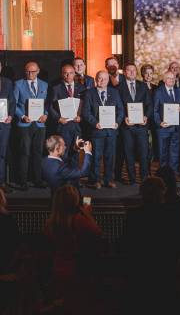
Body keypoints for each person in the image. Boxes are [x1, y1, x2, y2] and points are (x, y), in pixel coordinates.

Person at [123, 176, 180, 313]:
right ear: (162, 192)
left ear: (142, 193)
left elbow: (126, 245)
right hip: (165, 271)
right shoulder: (170, 215)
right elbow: (178, 242)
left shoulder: (133, 215)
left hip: (140, 274)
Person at [45, 185, 103, 314]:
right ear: (75, 200)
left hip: (58, 267)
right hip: (76, 269)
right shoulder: (79, 220)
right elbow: (97, 233)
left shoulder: (50, 223)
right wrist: (87, 214)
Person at [82, 70, 124, 189]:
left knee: (110, 157)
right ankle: (94, 180)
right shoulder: (89, 93)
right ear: (96, 79)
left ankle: (108, 180)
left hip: (111, 131)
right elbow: (86, 112)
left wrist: (117, 122)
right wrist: (95, 123)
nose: (102, 81)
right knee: (96, 157)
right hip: (97, 131)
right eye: (99, 78)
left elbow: (121, 110)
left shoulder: (114, 92)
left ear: (108, 80)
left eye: (105, 79)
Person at [13, 61, 49, 190]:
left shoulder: (44, 84)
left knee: (38, 152)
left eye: (33, 71)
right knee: (25, 152)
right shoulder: (18, 84)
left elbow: (47, 104)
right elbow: (14, 104)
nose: (30, 74)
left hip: (40, 124)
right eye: (27, 71)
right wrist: (22, 116)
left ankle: (37, 180)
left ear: (38, 71)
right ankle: (23, 182)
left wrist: (46, 114)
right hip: (24, 124)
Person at [118, 62, 153, 183]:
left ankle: (144, 178)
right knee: (129, 153)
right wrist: (124, 118)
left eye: (134, 70)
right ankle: (132, 178)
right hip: (127, 126)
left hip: (141, 126)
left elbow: (149, 104)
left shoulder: (143, 86)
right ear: (124, 72)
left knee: (144, 153)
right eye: (129, 70)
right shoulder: (119, 87)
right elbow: (118, 106)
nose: (132, 72)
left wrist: (146, 116)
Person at [48, 64, 84, 165]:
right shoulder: (55, 88)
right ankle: (63, 174)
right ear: (62, 74)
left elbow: (86, 106)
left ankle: (74, 175)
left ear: (74, 74)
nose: (68, 75)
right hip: (63, 126)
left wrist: (81, 117)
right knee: (63, 152)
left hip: (77, 126)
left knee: (76, 152)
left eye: (71, 73)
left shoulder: (82, 88)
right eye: (65, 73)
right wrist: (58, 118)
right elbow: (50, 107)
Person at [154, 71, 180, 179]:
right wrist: (159, 122)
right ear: (164, 79)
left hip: (176, 128)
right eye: (169, 78)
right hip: (164, 128)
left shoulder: (179, 91)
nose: (171, 80)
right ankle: (163, 176)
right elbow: (155, 110)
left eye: (173, 78)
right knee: (163, 153)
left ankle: (174, 174)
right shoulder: (158, 92)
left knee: (175, 153)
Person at [0, 65, 14, 193]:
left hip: (4, 124)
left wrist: (10, 115)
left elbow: (12, 101)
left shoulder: (8, 82)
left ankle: (1, 183)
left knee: (2, 154)